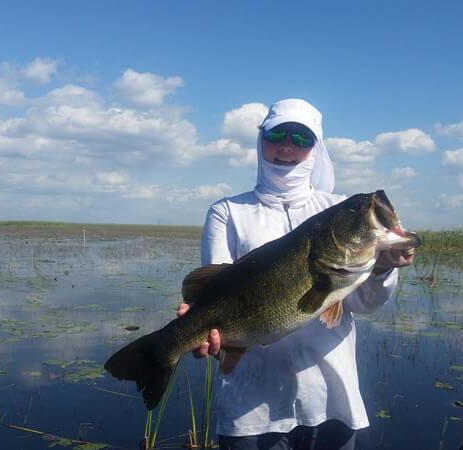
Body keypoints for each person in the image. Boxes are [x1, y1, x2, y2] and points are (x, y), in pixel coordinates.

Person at [177, 98, 415, 450]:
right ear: (261, 141)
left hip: (332, 398)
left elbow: (363, 305)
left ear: (317, 147)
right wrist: (206, 332)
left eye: (302, 139)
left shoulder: (333, 209)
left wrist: (381, 269)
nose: (287, 147)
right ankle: (159, 354)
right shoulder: (227, 212)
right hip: (251, 407)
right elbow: (215, 292)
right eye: (277, 135)